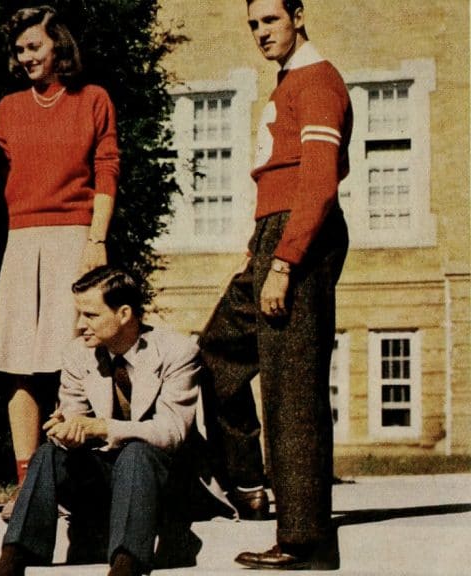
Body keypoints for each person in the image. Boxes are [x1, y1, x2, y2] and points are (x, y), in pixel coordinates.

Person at [198, 0, 351, 569]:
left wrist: (284, 262)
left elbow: (318, 181)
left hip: (300, 238)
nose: (261, 32)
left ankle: (305, 540)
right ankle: (249, 484)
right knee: (215, 352)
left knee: (292, 389)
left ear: (299, 14)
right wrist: (259, 248)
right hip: (273, 233)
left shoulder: (318, 81)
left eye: (270, 19)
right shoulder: (289, 81)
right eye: (253, 24)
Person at [0, 5, 120, 520]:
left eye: (34, 47)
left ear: (59, 47)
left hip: (76, 238)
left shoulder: (93, 100)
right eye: (20, 50)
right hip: (21, 242)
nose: (26, 57)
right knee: (19, 367)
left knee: (79, 360)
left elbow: (107, 168)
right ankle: (27, 485)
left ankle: (76, 479)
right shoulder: (8, 108)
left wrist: (97, 239)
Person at [0, 266, 201, 576]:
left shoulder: (177, 351)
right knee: (48, 454)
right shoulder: (78, 354)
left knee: (135, 453)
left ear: (124, 314)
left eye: (90, 315)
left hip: (162, 483)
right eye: (79, 314)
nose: (80, 325)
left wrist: (102, 427)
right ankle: (12, 560)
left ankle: (125, 567)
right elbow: (75, 417)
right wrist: (67, 431)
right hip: (104, 481)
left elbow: (172, 432)